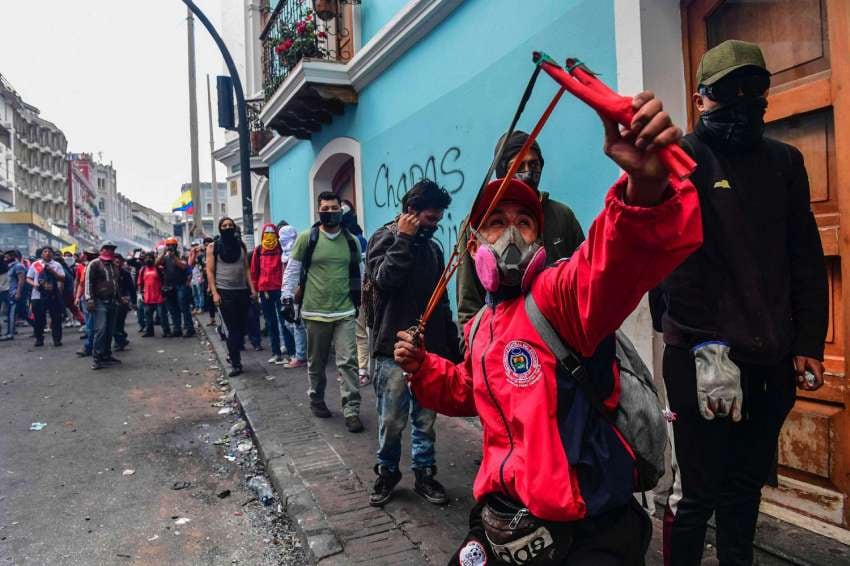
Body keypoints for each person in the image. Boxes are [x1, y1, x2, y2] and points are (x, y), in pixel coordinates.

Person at [394, 92, 700, 565]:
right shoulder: (481, 328)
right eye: (495, 223)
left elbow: (610, 260)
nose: (511, 233)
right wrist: (424, 369)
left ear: (541, 237)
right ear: (474, 244)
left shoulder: (559, 299)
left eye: (524, 222)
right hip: (504, 516)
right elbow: (471, 391)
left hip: (585, 525)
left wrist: (644, 184)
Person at [648, 40, 828, 566]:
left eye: (754, 89)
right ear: (701, 98)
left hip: (769, 359)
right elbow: (673, 262)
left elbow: (806, 258)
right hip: (699, 358)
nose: (744, 101)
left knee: (746, 489)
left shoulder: (785, 162)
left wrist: (809, 342)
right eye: (728, 92)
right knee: (695, 494)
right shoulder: (680, 157)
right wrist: (705, 344)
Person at [365, 179, 461, 507]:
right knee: (392, 419)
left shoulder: (434, 250)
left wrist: (452, 346)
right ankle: (387, 471)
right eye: (430, 219)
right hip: (391, 348)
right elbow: (384, 280)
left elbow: (441, 301)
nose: (434, 226)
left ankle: (424, 473)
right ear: (411, 213)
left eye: (438, 220)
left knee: (425, 418)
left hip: (427, 353)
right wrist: (404, 239)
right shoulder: (384, 238)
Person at [455, 131, 586, 326]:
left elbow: (584, 280)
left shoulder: (562, 216)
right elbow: (468, 303)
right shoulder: (475, 224)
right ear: (501, 170)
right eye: (518, 166)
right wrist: (473, 348)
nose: (528, 173)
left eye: (533, 165)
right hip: (500, 341)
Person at [282, 191, 364, 432]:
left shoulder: (351, 240)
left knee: (348, 361)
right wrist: (287, 299)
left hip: (345, 311)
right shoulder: (308, 238)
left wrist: (364, 300)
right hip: (314, 312)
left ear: (341, 209)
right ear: (319, 211)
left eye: (334, 207)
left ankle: (352, 410)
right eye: (325, 208)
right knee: (316, 362)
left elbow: (361, 270)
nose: (330, 212)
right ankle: (316, 399)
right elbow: (292, 270)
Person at [207, 217, 256, 377]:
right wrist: (214, 293)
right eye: (224, 225)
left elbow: (247, 268)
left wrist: (253, 288)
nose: (228, 228)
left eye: (230, 225)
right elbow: (210, 271)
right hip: (224, 292)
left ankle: (232, 354)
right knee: (232, 329)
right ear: (220, 228)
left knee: (243, 327)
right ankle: (236, 363)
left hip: (242, 290)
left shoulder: (240, 245)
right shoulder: (213, 247)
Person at [251, 223, 292, 365]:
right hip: (265, 291)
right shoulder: (259, 251)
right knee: (271, 322)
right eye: (266, 232)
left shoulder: (281, 248)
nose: (269, 235)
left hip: (280, 289)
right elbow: (254, 272)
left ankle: (290, 352)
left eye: (272, 232)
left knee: (285, 321)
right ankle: (276, 353)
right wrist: (255, 290)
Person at [84, 241, 121, 370]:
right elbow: (88, 282)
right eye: (108, 248)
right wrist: (89, 299)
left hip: (112, 301)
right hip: (99, 301)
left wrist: (119, 298)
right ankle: (96, 357)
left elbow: (115, 284)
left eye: (112, 249)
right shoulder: (94, 264)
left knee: (110, 330)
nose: (111, 251)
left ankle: (106, 354)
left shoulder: (113, 265)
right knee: (101, 330)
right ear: (102, 250)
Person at [279, 224, 306, 369]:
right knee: (290, 323)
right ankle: (302, 353)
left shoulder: (299, 251)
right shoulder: (284, 253)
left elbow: (297, 273)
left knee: (298, 325)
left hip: (299, 292)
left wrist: (296, 291)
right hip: (288, 293)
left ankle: (301, 355)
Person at [26, 246, 66, 347]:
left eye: (49, 251)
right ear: (42, 254)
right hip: (38, 295)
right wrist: (35, 285)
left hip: (53, 295)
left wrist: (52, 271)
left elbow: (62, 278)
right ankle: (39, 339)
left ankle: (57, 339)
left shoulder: (56, 265)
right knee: (39, 319)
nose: (47, 253)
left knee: (56, 318)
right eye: (45, 251)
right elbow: (28, 278)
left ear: (52, 254)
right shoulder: (36, 264)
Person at [157, 237, 194, 338]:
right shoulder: (165, 257)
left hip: (181, 285)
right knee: (172, 308)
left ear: (176, 246)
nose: (170, 247)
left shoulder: (182, 255)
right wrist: (163, 253)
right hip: (169, 286)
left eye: (171, 245)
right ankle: (177, 329)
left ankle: (189, 328)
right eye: (168, 245)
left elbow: (183, 266)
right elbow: (156, 264)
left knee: (184, 307)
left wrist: (174, 257)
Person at [138, 251, 169, 337]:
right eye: (147, 258)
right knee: (148, 316)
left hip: (159, 296)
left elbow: (164, 279)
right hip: (147, 297)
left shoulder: (158, 268)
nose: (148, 260)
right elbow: (140, 283)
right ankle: (149, 331)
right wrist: (140, 294)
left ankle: (166, 331)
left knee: (162, 315)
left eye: (150, 258)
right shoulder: (143, 270)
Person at [75, 247, 98, 357]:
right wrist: (78, 297)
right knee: (90, 324)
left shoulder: (98, 265)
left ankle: (92, 346)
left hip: (97, 298)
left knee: (94, 325)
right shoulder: (83, 267)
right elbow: (81, 283)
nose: (85, 255)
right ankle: (90, 346)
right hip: (88, 299)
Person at [113, 254, 136, 351]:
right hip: (111, 300)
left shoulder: (125, 273)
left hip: (123, 300)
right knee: (115, 323)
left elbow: (131, 288)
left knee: (119, 322)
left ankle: (120, 340)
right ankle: (121, 338)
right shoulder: (108, 272)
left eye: (119, 261)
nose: (117, 263)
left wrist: (133, 302)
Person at [0, 251, 26, 340]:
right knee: (23, 313)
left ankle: (10, 334)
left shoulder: (18, 266)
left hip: (15, 293)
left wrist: (18, 292)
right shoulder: (9, 267)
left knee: (12, 314)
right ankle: (38, 328)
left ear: (13, 257)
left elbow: (21, 280)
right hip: (10, 292)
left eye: (6, 257)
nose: (5, 258)